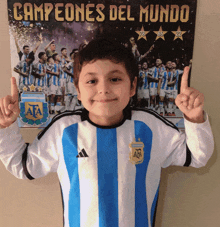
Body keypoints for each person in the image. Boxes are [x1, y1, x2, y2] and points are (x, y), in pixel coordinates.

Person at [0, 38, 214, 227]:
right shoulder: (64, 130)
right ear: (78, 90)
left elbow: (196, 156)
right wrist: (6, 127)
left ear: (132, 86)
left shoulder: (149, 127)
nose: (103, 89)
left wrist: (194, 119)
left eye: (115, 79)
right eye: (92, 81)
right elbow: (23, 166)